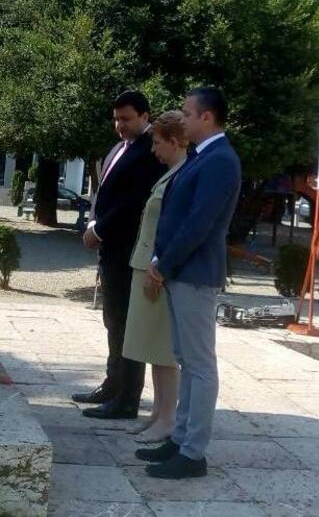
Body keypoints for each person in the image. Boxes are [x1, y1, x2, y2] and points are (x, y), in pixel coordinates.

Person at [135, 87, 241, 480]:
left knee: (199, 364)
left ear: (207, 117)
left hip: (194, 273)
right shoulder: (204, 156)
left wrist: (163, 262)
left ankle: (193, 451)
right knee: (185, 358)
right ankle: (179, 440)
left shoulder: (220, 160)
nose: (184, 118)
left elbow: (199, 222)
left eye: (188, 112)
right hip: (183, 272)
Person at [74, 91, 165, 419]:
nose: (120, 125)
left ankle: (128, 397)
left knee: (127, 323)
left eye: (126, 119)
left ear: (145, 116)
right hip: (111, 250)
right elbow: (105, 193)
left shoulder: (149, 151)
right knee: (112, 319)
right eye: (116, 119)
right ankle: (112, 383)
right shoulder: (119, 148)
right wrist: (93, 221)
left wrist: (100, 229)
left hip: (129, 249)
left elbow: (135, 202)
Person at [122, 111, 187, 444]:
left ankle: (168, 418)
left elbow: (172, 229)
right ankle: (157, 413)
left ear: (174, 142)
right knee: (150, 345)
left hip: (156, 270)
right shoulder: (171, 174)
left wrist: (158, 270)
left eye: (158, 142)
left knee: (163, 350)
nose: (153, 149)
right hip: (144, 264)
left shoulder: (182, 175)